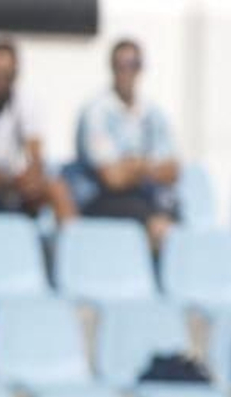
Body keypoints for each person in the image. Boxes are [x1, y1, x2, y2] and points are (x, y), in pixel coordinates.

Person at [72, 38, 179, 249]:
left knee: (174, 215)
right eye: (121, 65)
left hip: (144, 198)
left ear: (141, 69)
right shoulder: (96, 112)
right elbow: (111, 179)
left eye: (133, 65)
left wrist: (133, 166)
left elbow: (172, 170)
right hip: (102, 199)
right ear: (112, 68)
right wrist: (147, 167)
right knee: (154, 224)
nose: (127, 72)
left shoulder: (153, 113)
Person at [0, 39, 77, 224]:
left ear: (15, 74)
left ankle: (73, 246)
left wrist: (31, 176)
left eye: (6, 73)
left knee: (57, 188)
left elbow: (35, 153)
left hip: (14, 180)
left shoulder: (27, 101)